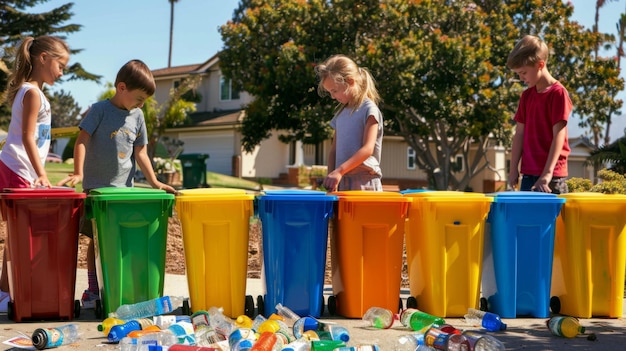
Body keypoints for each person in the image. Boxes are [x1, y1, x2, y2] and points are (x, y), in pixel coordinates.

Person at [57, 59, 177, 309]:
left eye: (145, 99)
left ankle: (119, 285)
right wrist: (78, 173)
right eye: (139, 97)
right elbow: (82, 141)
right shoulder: (99, 110)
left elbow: (141, 153)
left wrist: (155, 182)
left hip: (125, 192)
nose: (141, 103)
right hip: (98, 191)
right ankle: (92, 290)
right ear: (121, 87)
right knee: (96, 241)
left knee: (121, 240)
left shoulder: (138, 116)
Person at [0, 35, 71, 312]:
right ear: (43, 59)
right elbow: (29, 138)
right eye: (60, 65)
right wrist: (41, 174)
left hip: (17, 167)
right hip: (19, 169)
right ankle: (6, 292)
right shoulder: (31, 93)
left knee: (16, 235)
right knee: (18, 236)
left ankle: (6, 290)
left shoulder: (32, 92)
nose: (62, 72)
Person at [507, 35, 572, 194]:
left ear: (540, 65)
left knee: (550, 220)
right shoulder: (526, 97)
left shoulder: (558, 94)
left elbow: (559, 135)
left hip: (551, 178)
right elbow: (519, 134)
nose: (521, 78)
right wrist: (513, 168)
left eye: (523, 73)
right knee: (526, 219)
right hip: (528, 173)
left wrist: (547, 174)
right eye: (518, 74)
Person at [315, 54, 384, 192]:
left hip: (365, 183)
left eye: (334, 90)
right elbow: (333, 151)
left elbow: (367, 149)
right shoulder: (340, 114)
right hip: (342, 182)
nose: (333, 96)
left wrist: (339, 171)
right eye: (330, 92)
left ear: (350, 81)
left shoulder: (369, 110)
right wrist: (332, 175)